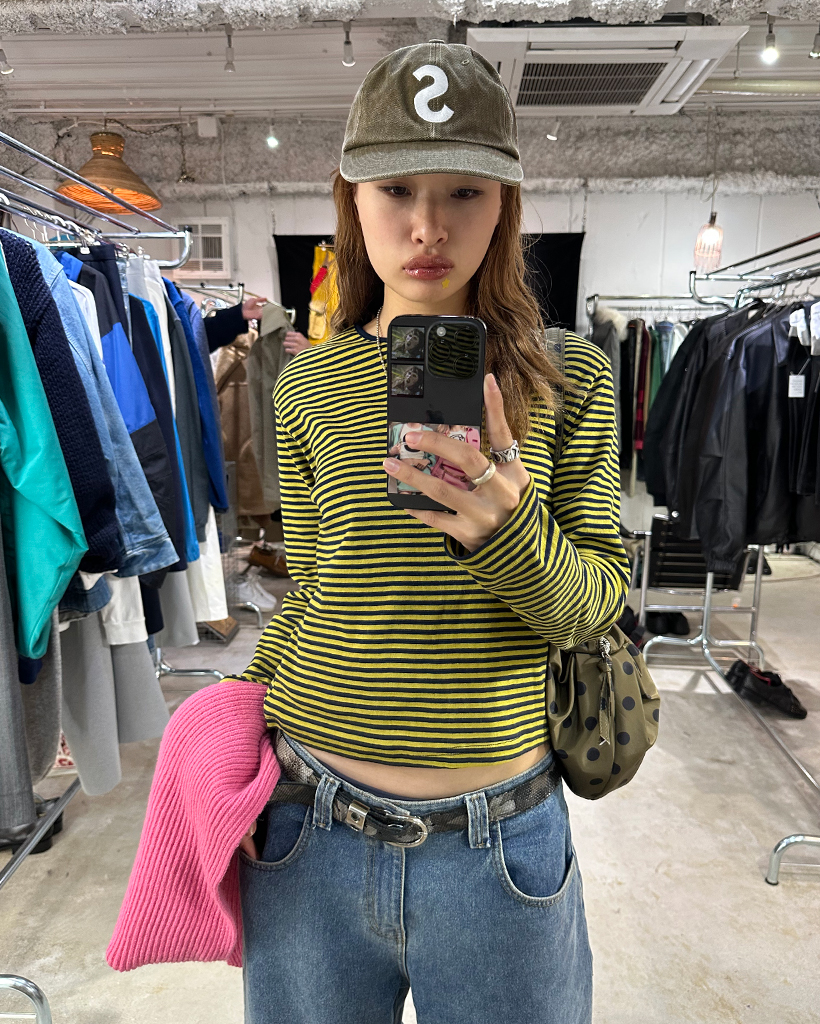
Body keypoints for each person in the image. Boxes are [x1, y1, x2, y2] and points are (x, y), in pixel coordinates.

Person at [234, 40, 629, 1024]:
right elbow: (311, 593)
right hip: (308, 829)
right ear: (351, 200)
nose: (426, 225)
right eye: (396, 189)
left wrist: (508, 530)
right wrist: (235, 738)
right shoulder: (310, 383)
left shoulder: (568, 375)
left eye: (463, 192)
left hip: (499, 847)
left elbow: (594, 608)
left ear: (504, 206)